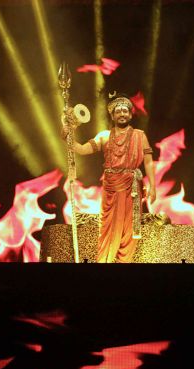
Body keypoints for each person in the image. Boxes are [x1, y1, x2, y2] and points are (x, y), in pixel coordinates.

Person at [61, 93, 157, 263]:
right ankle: (105, 262)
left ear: (130, 114)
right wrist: (68, 133)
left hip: (132, 188)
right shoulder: (104, 136)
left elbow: (148, 162)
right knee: (108, 228)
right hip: (111, 188)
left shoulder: (140, 136)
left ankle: (124, 263)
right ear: (112, 116)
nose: (122, 114)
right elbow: (82, 149)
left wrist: (153, 187)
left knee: (129, 230)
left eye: (125, 111)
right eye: (118, 111)